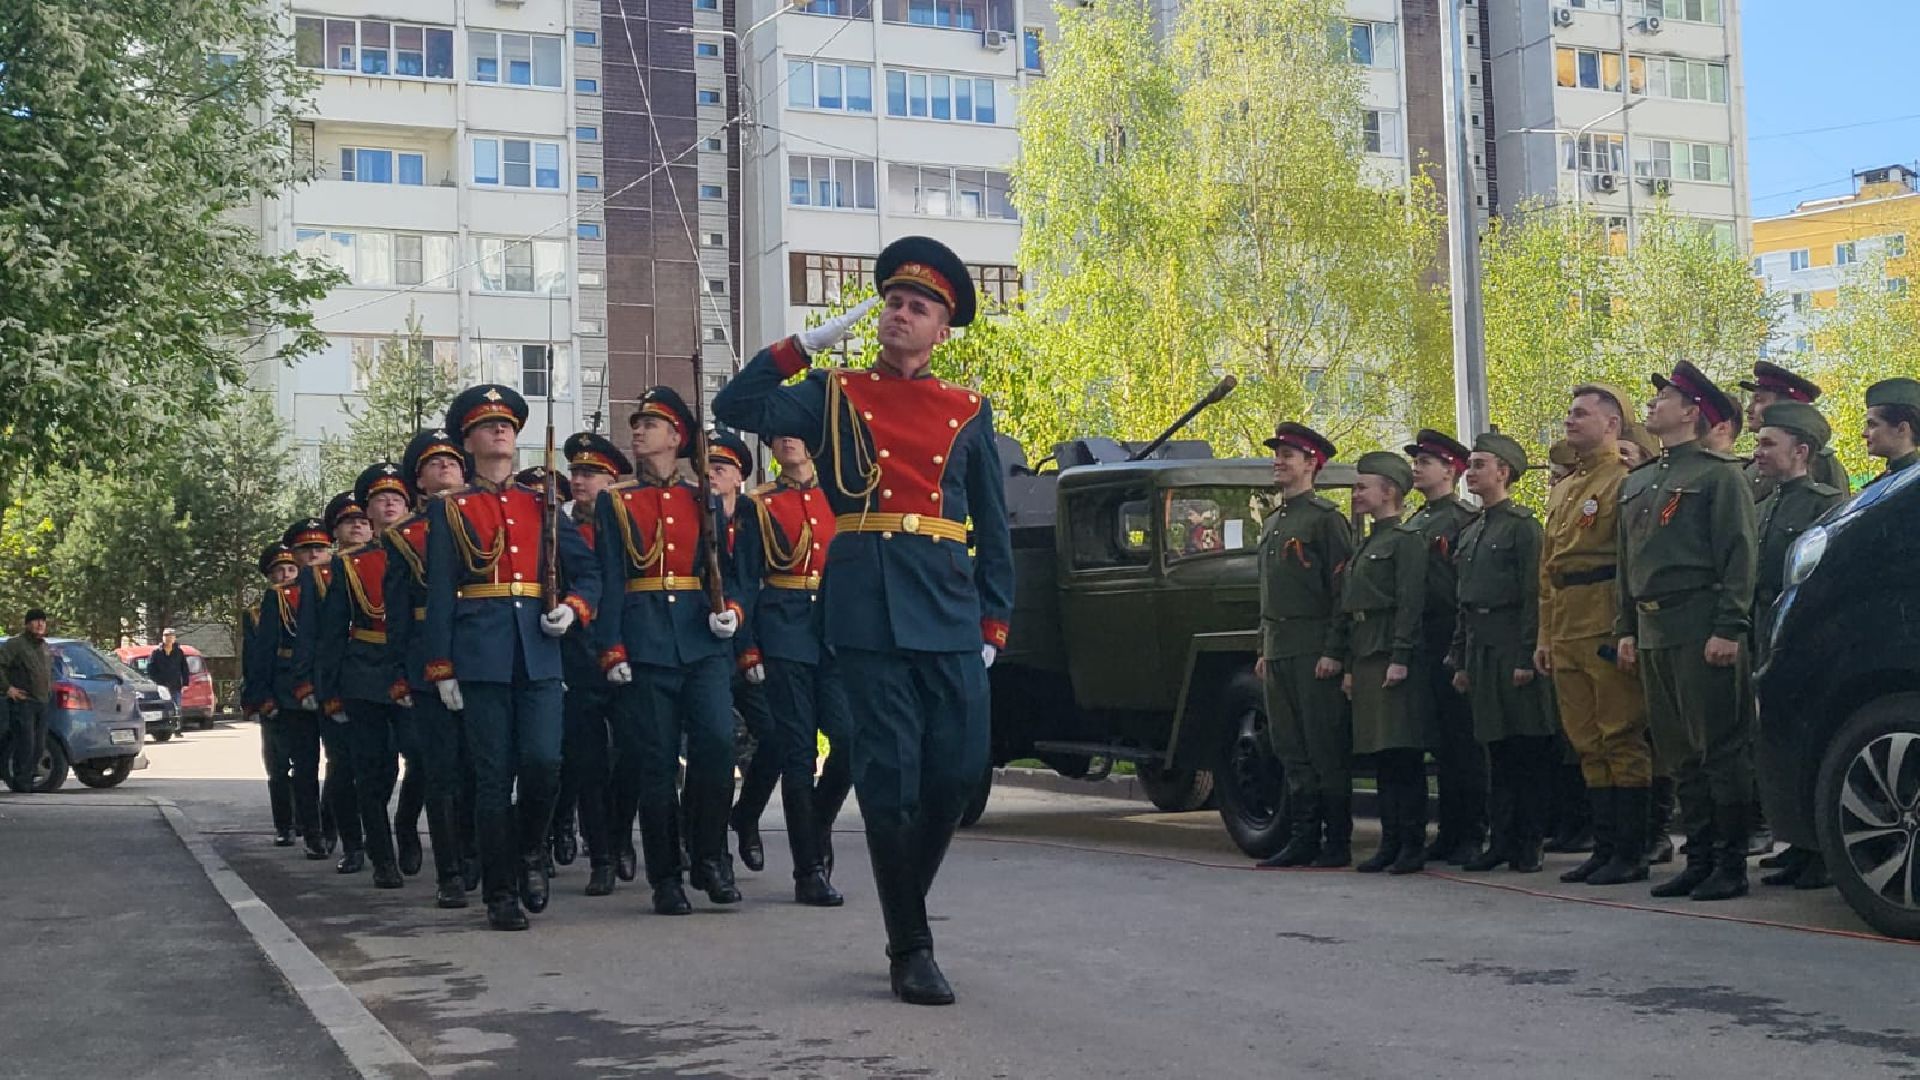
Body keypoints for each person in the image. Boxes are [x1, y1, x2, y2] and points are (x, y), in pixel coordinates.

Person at [714, 235, 1013, 1007]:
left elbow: (993, 524)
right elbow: (734, 405)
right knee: (888, 783)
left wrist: (995, 622)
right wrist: (801, 347)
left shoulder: (969, 410)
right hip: (868, 605)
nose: (898, 314)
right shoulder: (834, 394)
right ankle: (910, 945)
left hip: (948, 607)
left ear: (941, 329)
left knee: (957, 773)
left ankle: (903, 898)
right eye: (893, 302)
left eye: (917, 307)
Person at [424, 384, 601, 931]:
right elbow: (438, 595)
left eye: (507, 424)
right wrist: (441, 665)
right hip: (481, 656)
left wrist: (573, 609)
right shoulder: (452, 511)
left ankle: (531, 852)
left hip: (541, 652)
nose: (500, 430)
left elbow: (589, 573)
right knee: (493, 778)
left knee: (545, 763)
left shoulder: (540, 504)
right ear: (469, 441)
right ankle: (501, 892)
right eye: (487, 425)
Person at [595, 386, 747, 916]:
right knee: (656, 764)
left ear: (677, 437)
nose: (638, 430)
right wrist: (611, 647)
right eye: (636, 423)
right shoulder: (616, 500)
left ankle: (708, 856)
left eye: (650, 424)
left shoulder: (702, 496)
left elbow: (729, 573)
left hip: (702, 639)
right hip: (645, 642)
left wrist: (733, 612)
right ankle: (665, 877)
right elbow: (610, 578)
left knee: (716, 748)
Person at [1620, 361, 1758, 903]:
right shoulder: (1640, 480)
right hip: (1653, 626)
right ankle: (1698, 857)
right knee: (1678, 752)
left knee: (1719, 748)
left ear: (1693, 412)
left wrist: (1729, 626)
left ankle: (1730, 862)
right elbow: (1626, 564)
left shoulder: (1719, 475)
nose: (1653, 405)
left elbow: (1738, 555)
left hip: (1702, 623)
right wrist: (1626, 627)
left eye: (1667, 398)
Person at [1536, 385, 1653, 887]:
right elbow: (1548, 570)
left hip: (1604, 617)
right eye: (1569, 413)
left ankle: (1632, 849)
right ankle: (1604, 847)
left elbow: (1633, 562)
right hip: (1566, 622)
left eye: (1581, 414)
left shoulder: (1623, 483)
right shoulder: (1565, 490)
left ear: (1612, 424)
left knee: (1620, 733)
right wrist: (1544, 635)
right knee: (1585, 739)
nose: (1570, 420)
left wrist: (1628, 628)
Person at [733, 432, 856, 905]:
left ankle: (817, 821)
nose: (787, 441)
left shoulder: (841, 499)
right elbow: (745, 581)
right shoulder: (759, 505)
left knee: (851, 740)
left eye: (796, 433)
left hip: (835, 631)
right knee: (799, 753)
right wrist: (748, 648)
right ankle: (808, 871)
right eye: (778, 435)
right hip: (783, 630)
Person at [1748, 402, 1846, 891]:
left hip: (1807, 630)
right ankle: (1796, 844)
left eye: (1769, 443)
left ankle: (1822, 852)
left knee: (1809, 733)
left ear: (1801, 450)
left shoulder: (1823, 503)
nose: (1758, 451)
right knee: (1777, 736)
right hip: (1765, 625)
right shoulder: (1764, 505)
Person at [1449, 434, 1557, 874]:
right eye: (1470, 464)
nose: (1471, 472)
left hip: (1513, 642)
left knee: (1526, 749)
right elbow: (1465, 600)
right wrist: (1459, 658)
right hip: (1481, 647)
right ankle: (1501, 839)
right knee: (1495, 749)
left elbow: (1535, 593)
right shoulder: (1472, 530)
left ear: (1504, 472)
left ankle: (1528, 841)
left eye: (1479, 464)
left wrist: (1526, 654)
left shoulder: (1522, 526)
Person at [1252, 422, 1355, 869]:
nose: (1279, 460)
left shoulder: (1325, 519)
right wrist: (1263, 647)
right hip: (1279, 648)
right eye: (1277, 453)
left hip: (1314, 647)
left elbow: (1342, 593)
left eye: (1288, 454)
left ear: (1312, 463)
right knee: (1289, 746)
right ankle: (1303, 836)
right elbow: (1268, 594)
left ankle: (1336, 841)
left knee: (1323, 747)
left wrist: (1335, 649)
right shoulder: (1275, 522)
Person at [384, 427, 477, 908]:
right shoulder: (403, 538)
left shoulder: (486, 519)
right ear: (417, 482)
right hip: (427, 660)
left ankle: (479, 851)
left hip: (486, 651)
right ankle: (451, 871)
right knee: (441, 770)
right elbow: (398, 615)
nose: (444, 468)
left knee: (484, 766)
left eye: (452, 462)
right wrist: (401, 672)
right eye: (432, 464)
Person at [312, 463, 416, 891]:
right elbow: (332, 633)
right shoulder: (349, 565)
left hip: (416, 672)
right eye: (379, 499)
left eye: (397, 497)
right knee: (373, 773)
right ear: (368, 511)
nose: (389, 503)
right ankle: (382, 856)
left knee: (425, 762)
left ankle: (406, 826)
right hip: (365, 675)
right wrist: (329, 690)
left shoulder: (425, 549)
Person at [1334, 452, 1431, 875]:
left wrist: (1401, 655)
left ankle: (1411, 843)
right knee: (1381, 756)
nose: (1356, 493)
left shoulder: (1405, 541)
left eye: (1363, 486)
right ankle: (1390, 842)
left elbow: (1410, 603)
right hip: (1368, 654)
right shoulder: (1370, 542)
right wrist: (1352, 665)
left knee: (1403, 754)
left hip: (1391, 654)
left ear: (1388, 491)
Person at [549, 432, 629, 898]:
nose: (579, 481)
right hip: (577, 651)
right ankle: (600, 855)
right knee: (588, 761)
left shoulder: (628, 521)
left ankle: (621, 838)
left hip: (627, 646)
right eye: (576, 473)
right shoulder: (557, 527)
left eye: (590, 473)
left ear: (611, 480)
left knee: (636, 756)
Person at [1403, 429, 1485, 865]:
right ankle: (1449, 830)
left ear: (1450, 470)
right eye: (1416, 461)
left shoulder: (1461, 519)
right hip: (1421, 635)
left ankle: (1471, 830)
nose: (1417, 467)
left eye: (1426, 461)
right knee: (1438, 739)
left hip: (1451, 630)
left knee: (1463, 741)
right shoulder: (1415, 522)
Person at [708, 427, 781, 877]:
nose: (712, 476)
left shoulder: (756, 518)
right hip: (707, 648)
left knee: (774, 739)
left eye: (721, 469)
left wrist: (751, 646)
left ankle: (746, 816)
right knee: (711, 750)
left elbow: (755, 586)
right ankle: (710, 846)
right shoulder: (692, 515)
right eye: (707, 468)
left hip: (752, 646)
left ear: (739, 477)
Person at [296, 492, 370, 875]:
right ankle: (352, 844)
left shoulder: (383, 561)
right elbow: (309, 636)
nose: (357, 526)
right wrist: (310, 686)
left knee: (380, 769)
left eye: (362, 520)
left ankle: (377, 832)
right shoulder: (319, 575)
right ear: (335, 531)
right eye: (348, 522)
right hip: (335, 683)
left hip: (375, 680)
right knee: (342, 767)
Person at [251, 518, 332, 859]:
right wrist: (263, 696)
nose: (313, 555)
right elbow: (262, 651)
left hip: (334, 684)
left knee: (344, 765)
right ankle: (311, 831)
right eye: (306, 550)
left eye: (320, 548)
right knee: (303, 764)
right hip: (291, 690)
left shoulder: (337, 584)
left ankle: (334, 827)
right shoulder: (278, 599)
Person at [243, 545, 299, 844]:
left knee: (306, 763)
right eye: (278, 571)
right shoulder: (255, 613)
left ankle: (307, 820)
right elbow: (253, 659)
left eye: (290, 570)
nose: (285, 575)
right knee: (278, 765)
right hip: (273, 692)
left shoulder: (308, 603)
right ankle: (284, 825)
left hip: (303, 691)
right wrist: (258, 696)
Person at [1739, 361, 1849, 499]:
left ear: (1786, 406)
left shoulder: (1819, 460)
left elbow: (1837, 512)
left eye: (1759, 400)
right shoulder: (1754, 463)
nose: (1749, 409)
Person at [1, 609, 54, 793]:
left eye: (42, 621)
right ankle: (20, 784)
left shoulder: (44, 647)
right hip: (23, 703)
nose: (40, 624)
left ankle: (28, 779)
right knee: (26, 743)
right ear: (27, 624)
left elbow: (47, 673)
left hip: (42, 703)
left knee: (39, 745)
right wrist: (8, 688)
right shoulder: (15, 645)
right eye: (35, 621)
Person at [1863, 377, 1920, 480]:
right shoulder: (1886, 480)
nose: (1864, 433)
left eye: (1873, 425)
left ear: (1902, 429)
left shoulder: (1913, 481)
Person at [148, 628, 191, 707]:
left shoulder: (179, 652)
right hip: (161, 687)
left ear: (174, 638)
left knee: (176, 709)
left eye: (171, 635)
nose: (168, 638)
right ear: (163, 637)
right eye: (166, 635)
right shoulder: (156, 653)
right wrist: (157, 682)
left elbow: (184, 668)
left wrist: (185, 683)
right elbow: (151, 670)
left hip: (176, 687)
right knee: (165, 710)